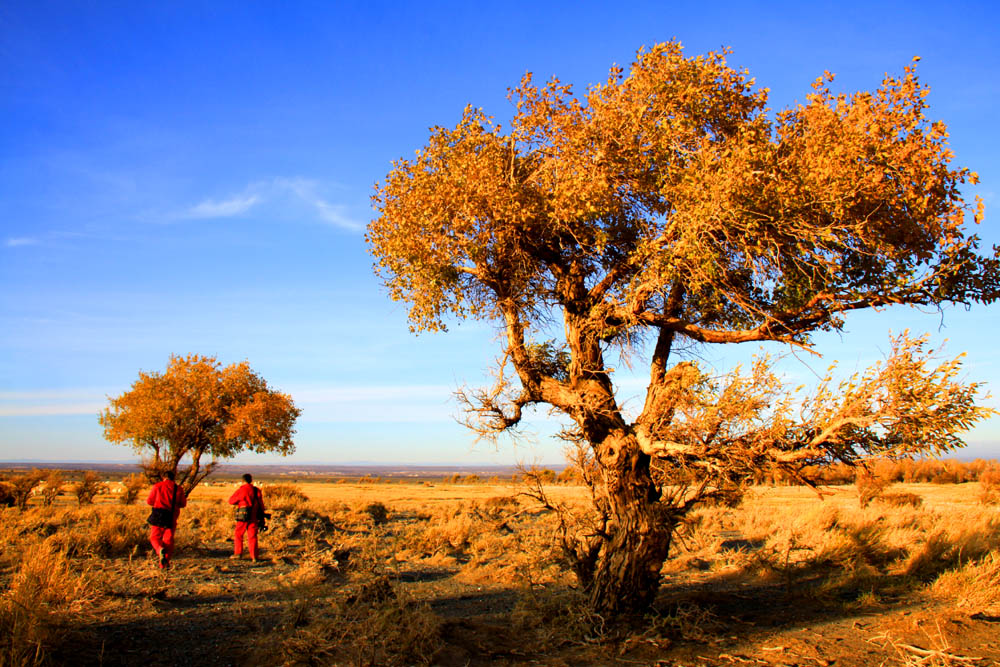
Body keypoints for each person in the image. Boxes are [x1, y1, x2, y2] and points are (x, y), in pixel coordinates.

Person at [146, 470, 187, 569]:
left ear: (163, 477)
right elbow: (183, 504)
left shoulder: (157, 486)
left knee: (154, 537)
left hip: (158, 515)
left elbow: (149, 501)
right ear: (174, 478)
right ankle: (164, 564)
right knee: (168, 540)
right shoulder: (178, 488)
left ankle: (159, 549)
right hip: (171, 516)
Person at [228, 473, 265, 562]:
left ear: (243, 481)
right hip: (254, 515)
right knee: (252, 536)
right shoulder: (256, 490)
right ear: (251, 480)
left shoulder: (242, 490)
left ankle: (238, 553)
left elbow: (231, 501)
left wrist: (240, 503)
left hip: (243, 514)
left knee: (239, 534)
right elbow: (261, 504)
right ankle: (254, 556)